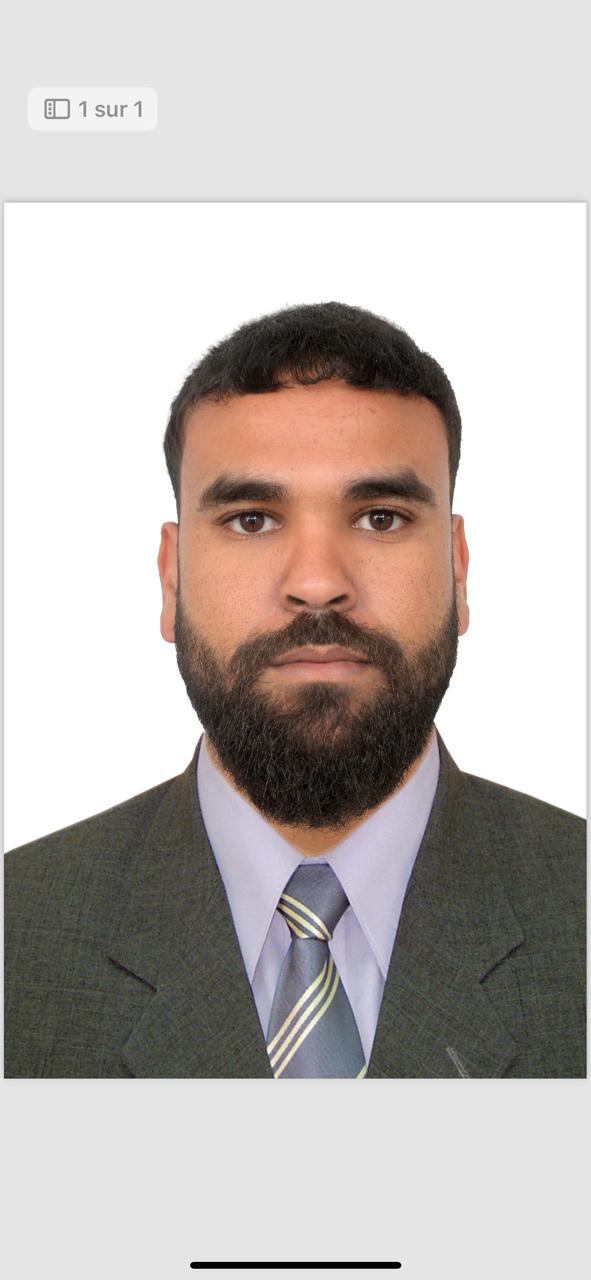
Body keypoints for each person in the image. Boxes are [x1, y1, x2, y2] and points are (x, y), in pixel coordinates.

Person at [4, 301, 585, 1079]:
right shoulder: (19, 932)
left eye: (379, 518)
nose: (316, 583)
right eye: (251, 520)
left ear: (457, 569)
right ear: (171, 580)